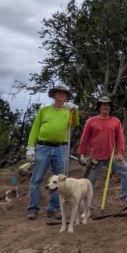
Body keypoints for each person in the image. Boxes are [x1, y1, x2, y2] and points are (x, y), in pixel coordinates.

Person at [26, 85, 79, 220]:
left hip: (61, 148)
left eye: (64, 93)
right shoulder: (44, 110)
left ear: (66, 97)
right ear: (54, 95)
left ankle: (53, 209)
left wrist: (75, 110)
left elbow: (75, 125)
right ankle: (33, 209)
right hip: (42, 147)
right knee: (36, 179)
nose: (61, 95)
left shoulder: (69, 111)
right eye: (59, 93)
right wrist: (30, 147)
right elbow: (35, 128)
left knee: (60, 179)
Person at [78, 96, 127, 205]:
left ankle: (125, 199)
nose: (106, 107)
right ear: (99, 107)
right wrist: (82, 154)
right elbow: (84, 139)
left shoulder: (115, 121)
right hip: (94, 157)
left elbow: (120, 139)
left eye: (108, 105)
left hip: (111, 156)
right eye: (103, 105)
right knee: (89, 182)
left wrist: (120, 153)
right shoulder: (91, 121)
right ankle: (88, 206)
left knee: (126, 170)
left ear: (111, 108)